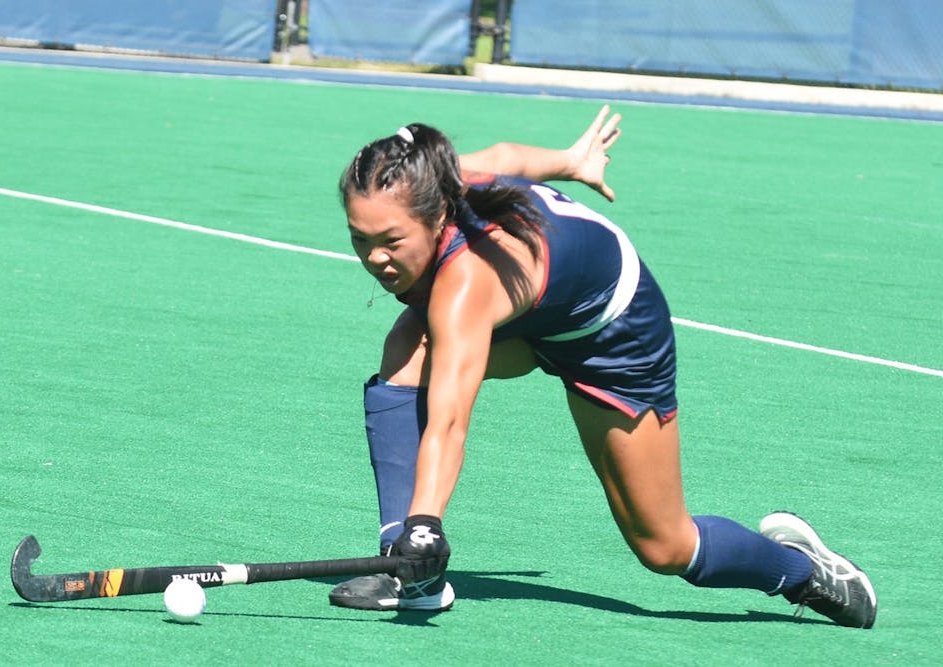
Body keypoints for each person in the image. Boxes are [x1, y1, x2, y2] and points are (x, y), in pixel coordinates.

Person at [328, 106, 877, 628]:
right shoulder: (439, 177)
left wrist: (429, 525)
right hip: (536, 316)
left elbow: (449, 421)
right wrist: (570, 162)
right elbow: (507, 154)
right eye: (360, 239)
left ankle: (803, 570)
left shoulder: (465, 283)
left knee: (664, 545)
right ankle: (405, 571)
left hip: (614, 338)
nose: (375, 258)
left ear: (438, 214)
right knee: (408, 345)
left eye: (392, 241)